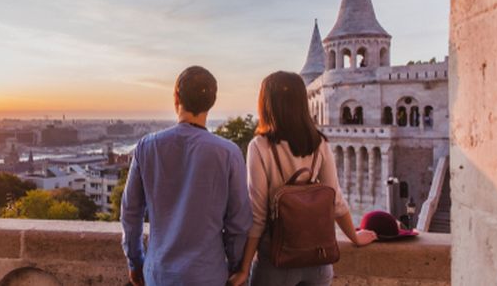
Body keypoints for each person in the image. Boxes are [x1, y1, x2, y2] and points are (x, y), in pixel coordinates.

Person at [228, 71, 376, 286]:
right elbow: (335, 201)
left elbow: (258, 216)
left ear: (266, 103)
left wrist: (244, 269)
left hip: (276, 261)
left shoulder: (260, 147)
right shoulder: (319, 144)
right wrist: (355, 237)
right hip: (317, 259)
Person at [121, 66, 252, 286]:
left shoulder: (146, 147)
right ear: (211, 102)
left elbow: (131, 214)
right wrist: (235, 266)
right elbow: (238, 224)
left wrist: (135, 262)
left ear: (176, 97)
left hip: (158, 273)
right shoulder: (228, 153)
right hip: (208, 274)